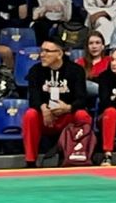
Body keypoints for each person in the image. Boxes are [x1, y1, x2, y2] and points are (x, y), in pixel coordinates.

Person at [22, 38, 92, 167]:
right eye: (41, 50)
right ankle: (30, 161)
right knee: (30, 114)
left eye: (47, 51)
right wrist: (43, 109)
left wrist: (68, 108)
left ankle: (78, 156)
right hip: (45, 118)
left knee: (82, 115)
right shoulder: (35, 71)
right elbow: (33, 98)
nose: (42, 54)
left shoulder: (76, 70)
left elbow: (82, 99)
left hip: (66, 117)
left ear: (59, 54)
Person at [80, 30, 110, 97]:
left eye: (97, 43)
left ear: (103, 46)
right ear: (87, 47)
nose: (94, 46)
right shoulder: (80, 62)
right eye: (91, 43)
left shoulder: (109, 61)